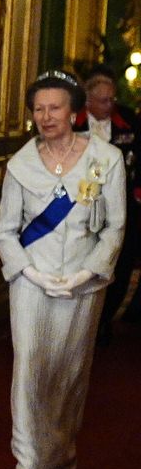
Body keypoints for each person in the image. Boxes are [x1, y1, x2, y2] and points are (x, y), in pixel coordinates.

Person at [0, 70, 126, 469]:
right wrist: (28, 272)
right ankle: (27, 463)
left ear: (74, 111)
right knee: (30, 367)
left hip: (83, 284)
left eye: (54, 107)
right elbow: (5, 231)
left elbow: (114, 227)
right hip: (31, 281)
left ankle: (64, 446)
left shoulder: (105, 159)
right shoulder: (21, 164)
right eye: (38, 109)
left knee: (69, 372)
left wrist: (87, 273)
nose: (46, 116)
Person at [74, 65, 140, 341]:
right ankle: (80, 322)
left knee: (120, 263)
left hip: (121, 203)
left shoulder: (127, 119)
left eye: (112, 99)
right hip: (81, 202)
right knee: (83, 260)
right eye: (104, 100)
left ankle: (103, 320)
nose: (110, 104)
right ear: (88, 101)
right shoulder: (71, 121)